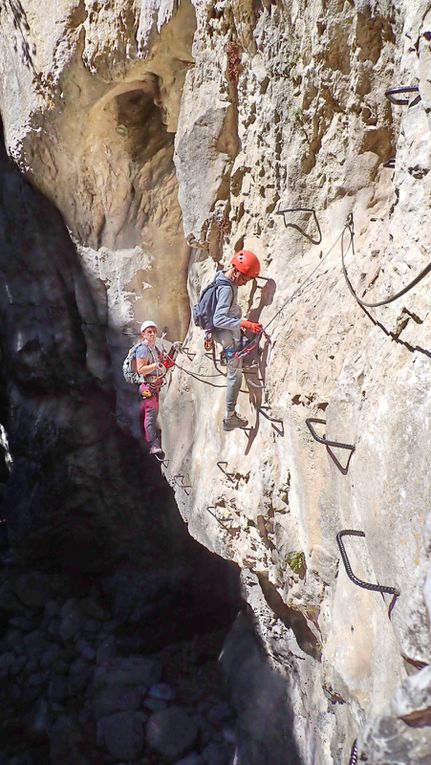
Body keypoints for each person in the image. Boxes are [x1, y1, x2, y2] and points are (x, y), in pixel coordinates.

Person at [212, 250, 262, 431]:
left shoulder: (220, 279)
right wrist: (245, 323)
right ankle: (230, 416)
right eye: (244, 279)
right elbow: (218, 319)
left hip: (224, 334)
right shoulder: (226, 288)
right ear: (236, 271)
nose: (244, 283)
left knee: (236, 366)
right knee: (235, 374)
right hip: (227, 337)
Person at [135, 320, 166, 456]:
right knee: (151, 414)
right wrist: (155, 366)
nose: (152, 334)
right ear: (143, 334)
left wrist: (173, 350)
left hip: (155, 386)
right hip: (147, 389)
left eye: (154, 331)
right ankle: (153, 445)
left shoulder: (155, 349)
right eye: (149, 332)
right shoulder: (142, 349)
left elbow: (164, 364)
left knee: (149, 411)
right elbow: (140, 369)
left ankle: (146, 435)